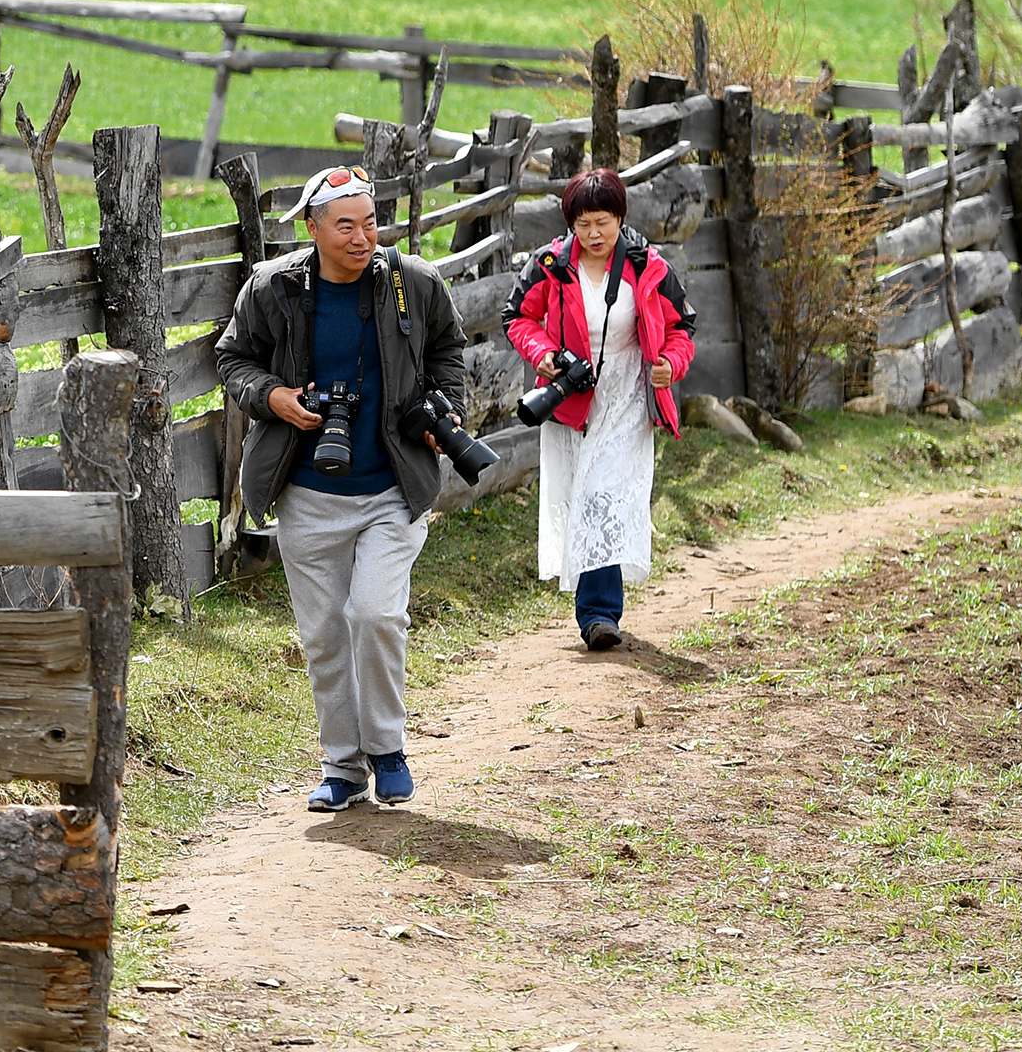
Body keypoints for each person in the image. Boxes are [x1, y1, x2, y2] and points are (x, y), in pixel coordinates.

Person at [218, 164, 474, 813]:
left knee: (377, 613)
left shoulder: (413, 282)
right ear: (312, 228)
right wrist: (271, 396)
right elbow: (232, 359)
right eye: (346, 226)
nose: (362, 238)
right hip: (305, 491)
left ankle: (387, 748)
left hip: (395, 486)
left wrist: (448, 412)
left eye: (369, 223)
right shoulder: (273, 289)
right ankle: (342, 765)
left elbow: (449, 349)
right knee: (326, 634)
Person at [499, 168, 698, 651]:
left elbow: (682, 328)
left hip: (628, 392)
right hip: (573, 397)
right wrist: (544, 355)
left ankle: (599, 614)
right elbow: (517, 317)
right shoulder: (548, 263)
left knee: (603, 496)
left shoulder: (648, 265)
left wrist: (669, 364)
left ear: (620, 218)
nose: (592, 234)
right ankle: (597, 611)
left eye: (602, 222)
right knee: (584, 494)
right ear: (570, 223)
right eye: (582, 224)